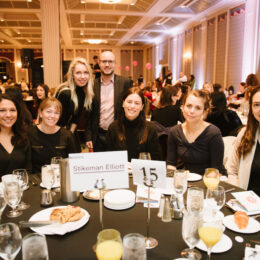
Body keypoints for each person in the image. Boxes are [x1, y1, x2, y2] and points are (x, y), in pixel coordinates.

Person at [167, 90, 226, 175]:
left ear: (205, 111)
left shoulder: (213, 133)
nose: (191, 111)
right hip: (186, 179)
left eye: (198, 108)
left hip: (211, 180)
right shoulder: (174, 132)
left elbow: (216, 171)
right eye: (188, 106)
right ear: (182, 107)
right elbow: (171, 164)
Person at [89, 51, 132, 152]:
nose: (107, 65)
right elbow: (89, 113)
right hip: (98, 136)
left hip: (119, 134)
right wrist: (88, 136)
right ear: (99, 63)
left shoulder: (125, 82)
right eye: (104, 61)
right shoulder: (91, 85)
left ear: (115, 64)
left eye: (110, 61)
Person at [106, 87, 161, 161]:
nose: (132, 106)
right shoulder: (113, 128)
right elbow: (108, 158)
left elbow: (156, 159)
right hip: (121, 171)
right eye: (129, 102)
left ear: (142, 107)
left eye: (137, 103)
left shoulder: (150, 129)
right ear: (123, 103)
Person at [27, 97, 77, 173]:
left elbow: (73, 163)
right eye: (48, 112)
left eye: (56, 113)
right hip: (35, 179)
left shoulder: (67, 135)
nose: (52, 116)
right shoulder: (29, 133)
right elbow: (26, 163)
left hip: (60, 179)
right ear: (40, 113)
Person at [227, 86, 260, 195]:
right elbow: (232, 170)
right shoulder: (245, 134)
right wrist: (239, 194)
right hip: (246, 203)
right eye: (256, 105)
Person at [56, 57, 94, 150]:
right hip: (58, 135)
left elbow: (75, 118)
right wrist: (64, 140)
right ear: (72, 75)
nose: (82, 77)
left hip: (68, 134)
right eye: (78, 73)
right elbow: (57, 121)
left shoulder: (82, 92)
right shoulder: (65, 93)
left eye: (86, 73)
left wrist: (69, 136)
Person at [0, 94, 31, 176]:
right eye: (2, 110)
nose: (8, 115)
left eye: (12, 110)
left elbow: (28, 170)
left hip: (20, 187)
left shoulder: (23, 137)